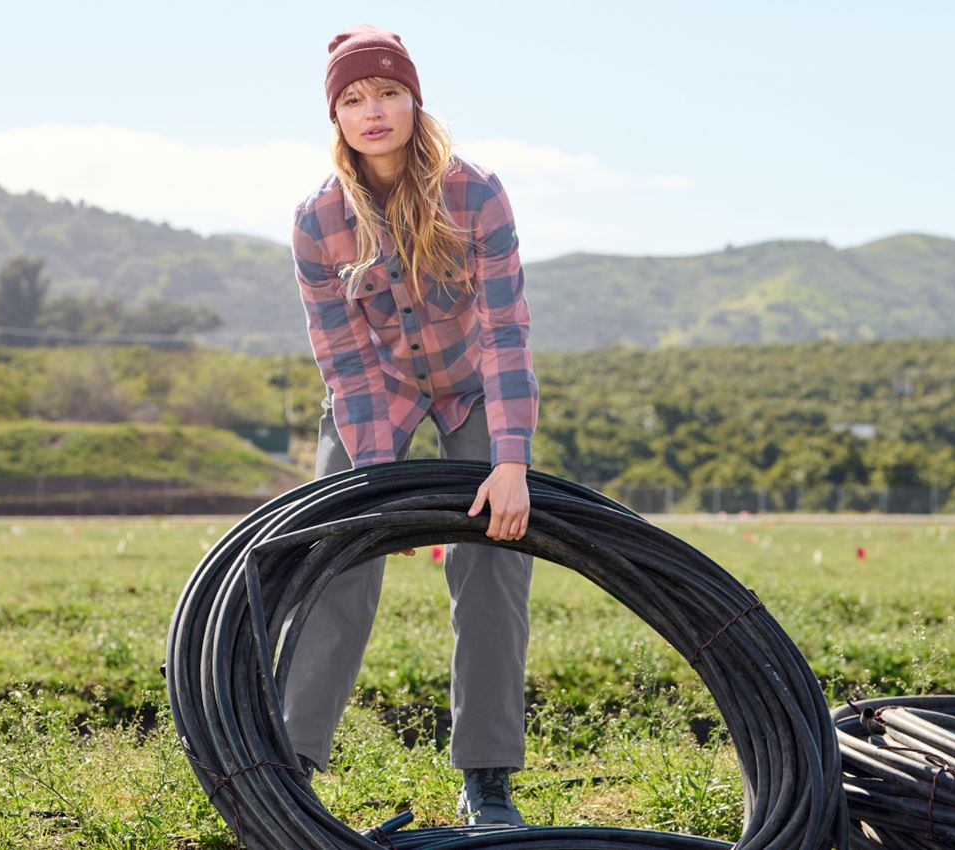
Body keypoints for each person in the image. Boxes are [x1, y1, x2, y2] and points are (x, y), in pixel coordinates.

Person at [285, 23, 539, 827]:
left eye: (388, 92)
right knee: (338, 554)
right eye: (354, 99)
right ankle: (288, 762)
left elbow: (504, 333)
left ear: (414, 100)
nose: (373, 111)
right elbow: (344, 361)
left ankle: (488, 774)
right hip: (378, 395)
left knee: (496, 557)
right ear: (337, 118)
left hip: (472, 387)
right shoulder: (318, 221)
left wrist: (510, 461)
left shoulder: (476, 193)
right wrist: (374, 483)